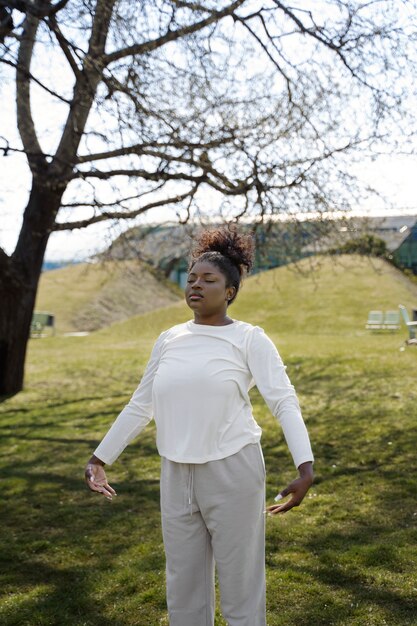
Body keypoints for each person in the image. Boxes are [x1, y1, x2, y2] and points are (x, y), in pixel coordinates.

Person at [85, 226, 314, 626]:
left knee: (241, 590)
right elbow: (142, 404)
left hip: (233, 471)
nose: (196, 285)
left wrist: (305, 467)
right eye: (191, 278)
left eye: (209, 280)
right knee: (184, 591)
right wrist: (100, 457)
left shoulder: (249, 339)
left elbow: (283, 400)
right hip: (175, 473)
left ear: (230, 291)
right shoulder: (168, 339)